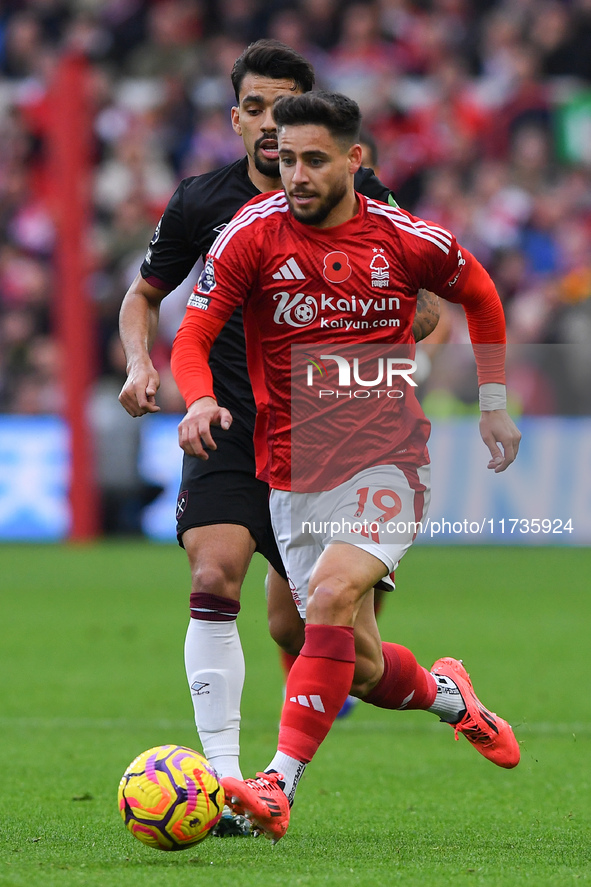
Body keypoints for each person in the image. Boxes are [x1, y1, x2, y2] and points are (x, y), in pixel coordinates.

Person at [170, 90, 522, 843]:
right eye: (286, 158)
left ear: (354, 160)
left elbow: (481, 294)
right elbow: (193, 332)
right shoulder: (249, 235)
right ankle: (451, 699)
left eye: (313, 159)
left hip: (388, 461)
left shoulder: (403, 236)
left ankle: (274, 784)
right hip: (292, 479)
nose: (294, 173)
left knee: (328, 597)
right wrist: (198, 400)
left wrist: (493, 401)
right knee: (352, 660)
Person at [118, 40, 438, 833]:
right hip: (223, 423)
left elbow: (429, 304)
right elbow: (145, 294)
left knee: (322, 641)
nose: (267, 126)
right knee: (214, 571)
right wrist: (138, 365)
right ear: (235, 118)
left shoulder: (367, 199)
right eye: (253, 109)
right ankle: (228, 785)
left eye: (281, 107)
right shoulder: (202, 201)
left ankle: (443, 693)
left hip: (329, 441)